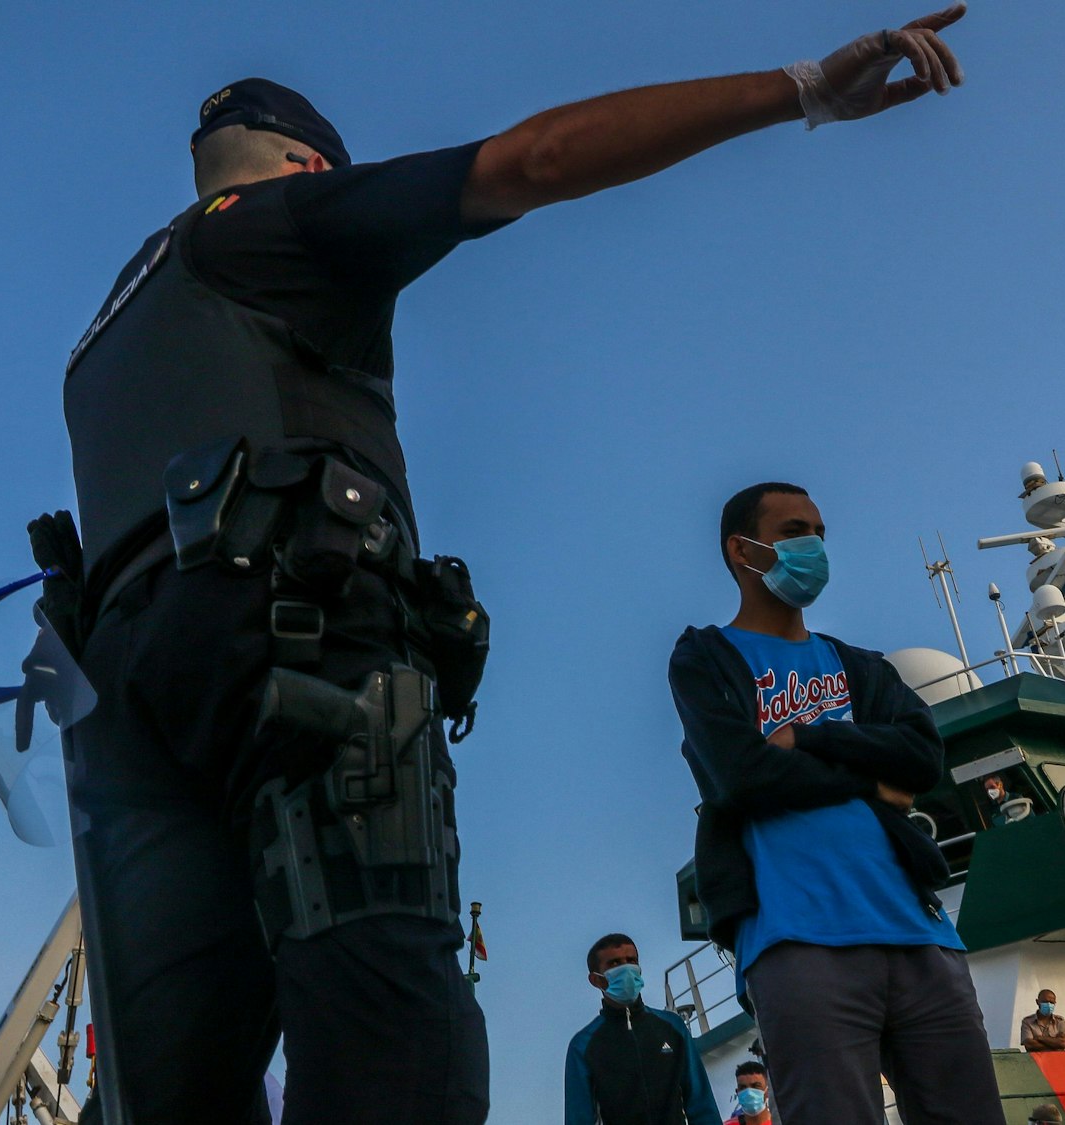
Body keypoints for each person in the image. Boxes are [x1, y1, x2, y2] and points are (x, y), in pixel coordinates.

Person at [48, 8, 972, 1124]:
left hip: (124, 712)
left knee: (170, 1082)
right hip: (301, 661)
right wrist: (803, 89)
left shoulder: (102, 339)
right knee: (401, 1059)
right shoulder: (280, 219)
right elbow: (532, 160)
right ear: (306, 165)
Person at [670, 482, 1002, 1125]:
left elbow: (921, 757)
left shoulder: (861, 667)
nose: (815, 546)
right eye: (796, 531)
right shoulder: (705, 657)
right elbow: (740, 774)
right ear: (744, 550)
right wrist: (866, 780)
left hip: (923, 937)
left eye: (820, 533)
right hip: (797, 943)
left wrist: (811, 738)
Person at [564, 934, 720, 1125]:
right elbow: (579, 1118)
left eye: (631, 961)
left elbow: (700, 1101)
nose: (626, 969)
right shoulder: (583, 1046)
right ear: (596, 980)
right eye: (614, 964)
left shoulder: (672, 1027)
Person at [724, 1061, 771, 1125]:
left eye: (755, 1086)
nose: (749, 1093)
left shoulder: (780, 1121)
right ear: (737, 1093)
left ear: (767, 1091)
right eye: (743, 1087)